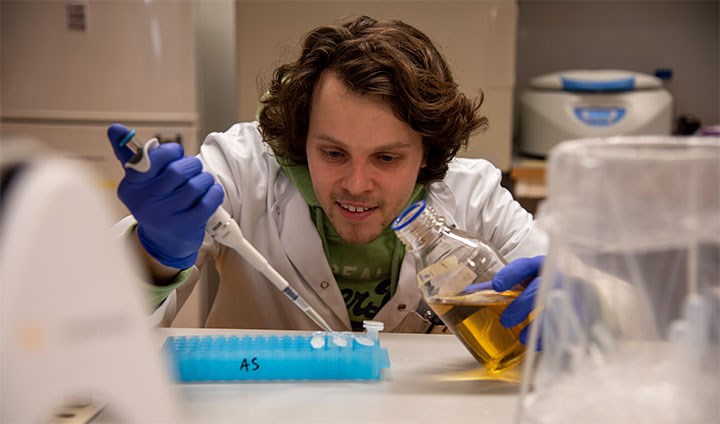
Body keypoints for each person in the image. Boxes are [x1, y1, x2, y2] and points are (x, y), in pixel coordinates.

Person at [108, 15, 547, 336]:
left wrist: (573, 298)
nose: (356, 184)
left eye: (387, 158)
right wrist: (152, 256)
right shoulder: (241, 169)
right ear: (302, 139)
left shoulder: (475, 197)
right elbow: (92, 322)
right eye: (333, 152)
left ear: (427, 151)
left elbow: (598, 298)